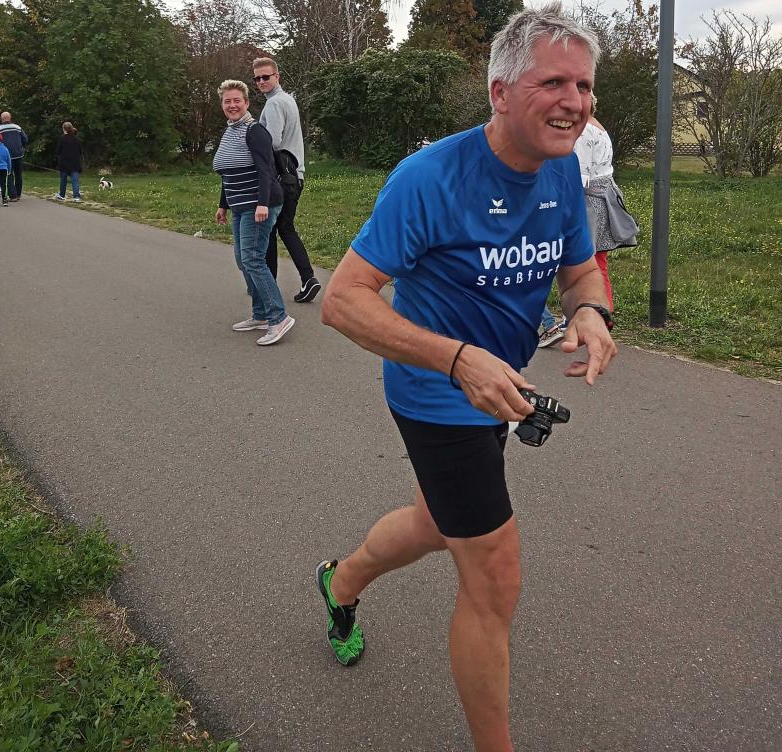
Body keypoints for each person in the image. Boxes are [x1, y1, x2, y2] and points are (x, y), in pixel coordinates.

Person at [316, 5, 617, 751]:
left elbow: (581, 268)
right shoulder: (429, 178)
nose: (574, 101)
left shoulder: (562, 169)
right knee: (494, 577)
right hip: (436, 395)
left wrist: (591, 311)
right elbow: (343, 300)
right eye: (554, 82)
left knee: (434, 524)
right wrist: (456, 359)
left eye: (584, 85)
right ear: (500, 92)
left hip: (498, 392)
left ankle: (341, 581)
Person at [538, 94, 637, 349]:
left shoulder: (583, 133)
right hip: (603, 200)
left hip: (588, 203)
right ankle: (601, 315)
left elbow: (578, 178)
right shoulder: (599, 127)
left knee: (578, 261)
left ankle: (579, 317)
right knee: (597, 262)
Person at [213, 79, 295, 346]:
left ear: (247, 103)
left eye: (237, 100)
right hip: (240, 205)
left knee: (253, 259)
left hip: (259, 204)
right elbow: (228, 172)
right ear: (222, 105)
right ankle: (260, 314)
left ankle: (278, 317)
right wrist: (223, 204)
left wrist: (262, 203)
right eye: (227, 101)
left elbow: (265, 170)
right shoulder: (230, 131)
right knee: (243, 259)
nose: (232, 105)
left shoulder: (255, 131)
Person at [253, 57, 321, 304]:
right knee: (285, 227)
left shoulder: (274, 104)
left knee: (270, 229)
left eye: (266, 77)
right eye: (257, 78)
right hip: (295, 175)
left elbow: (273, 142)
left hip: (282, 177)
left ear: (277, 76)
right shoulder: (288, 100)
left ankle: (268, 285)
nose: (261, 81)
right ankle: (308, 278)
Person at [0, 112, 28, 201]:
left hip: (6, 155)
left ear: (1, 119)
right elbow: (25, 139)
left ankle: (13, 196)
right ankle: (18, 194)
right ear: (10, 118)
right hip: (19, 154)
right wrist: (21, 147)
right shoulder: (17, 127)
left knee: (9, 175)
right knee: (18, 175)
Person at [54, 122, 83, 203]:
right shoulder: (76, 139)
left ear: (64, 129)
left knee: (63, 180)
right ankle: (76, 196)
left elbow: (58, 151)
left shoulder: (62, 139)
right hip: (75, 163)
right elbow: (80, 151)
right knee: (75, 180)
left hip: (64, 163)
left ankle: (62, 195)